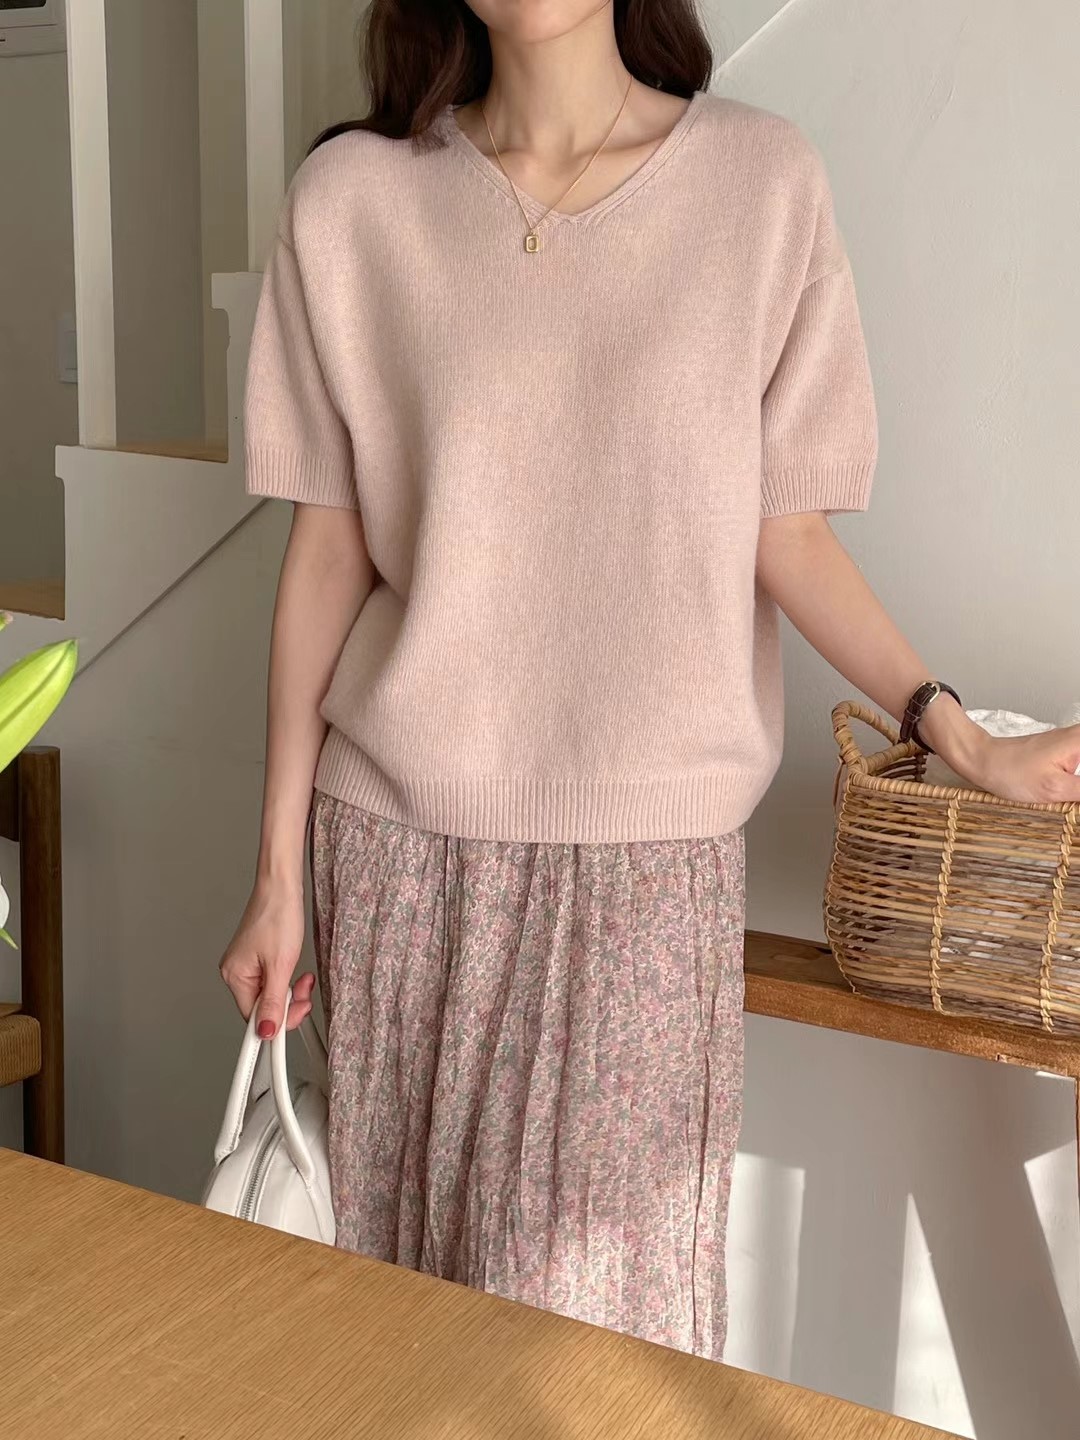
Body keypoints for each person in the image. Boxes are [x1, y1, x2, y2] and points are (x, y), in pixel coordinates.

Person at [220, 0, 1080, 1360]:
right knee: (398, 1337)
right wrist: (277, 873)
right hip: (394, 858)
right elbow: (327, 553)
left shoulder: (760, 182)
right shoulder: (354, 202)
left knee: (591, 1360)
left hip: (644, 879)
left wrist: (958, 738)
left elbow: (785, 532)